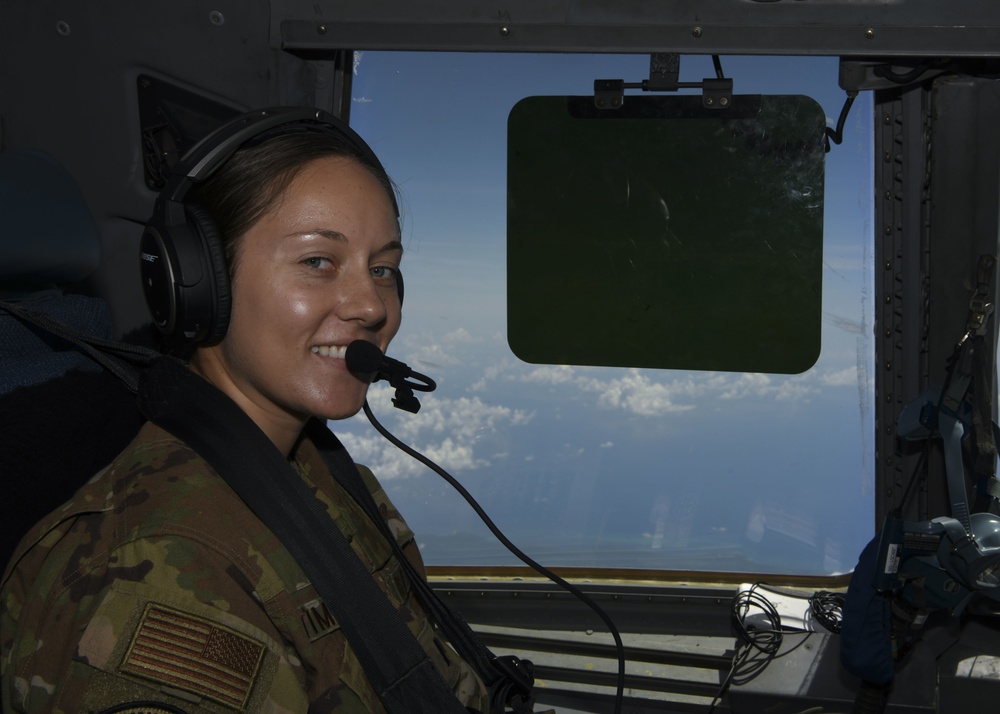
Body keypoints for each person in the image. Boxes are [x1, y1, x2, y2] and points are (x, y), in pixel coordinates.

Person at [0, 108, 490, 713]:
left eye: (383, 269)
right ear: (201, 283)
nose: (371, 305)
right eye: (318, 262)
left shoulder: (322, 472)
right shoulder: (158, 569)